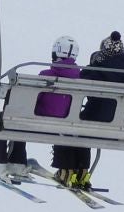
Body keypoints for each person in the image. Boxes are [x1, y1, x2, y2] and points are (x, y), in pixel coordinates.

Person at [76, 30, 124, 184]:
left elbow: (81, 80)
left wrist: (94, 63)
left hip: (95, 119)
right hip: (119, 125)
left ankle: (71, 171)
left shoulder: (100, 69)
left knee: (73, 129)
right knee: (81, 130)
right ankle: (83, 175)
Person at [39, 35, 92, 186]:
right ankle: (81, 172)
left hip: (43, 120)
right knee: (74, 128)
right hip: (71, 122)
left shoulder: (45, 76)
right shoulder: (81, 77)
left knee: (61, 126)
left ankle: (65, 171)